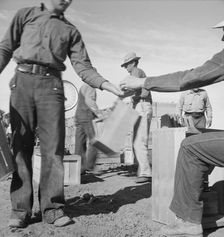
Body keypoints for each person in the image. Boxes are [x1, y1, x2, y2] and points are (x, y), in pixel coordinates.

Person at [0, 0, 123, 228]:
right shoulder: (25, 15)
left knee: (53, 149)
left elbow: (83, 67)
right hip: (22, 82)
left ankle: (52, 208)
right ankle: (20, 210)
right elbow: (5, 48)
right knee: (21, 146)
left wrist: (106, 84)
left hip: (52, 88)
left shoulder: (71, 31)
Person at [120, 19, 224, 237]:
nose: (222, 37)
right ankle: (201, 191)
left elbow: (189, 77)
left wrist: (142, 83)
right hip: (187, 116)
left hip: (177, 113)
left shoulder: (139, 73)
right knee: (200, 138)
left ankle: (188, 220)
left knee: (190, 148)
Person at [120, 52, 153, 183]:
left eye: (126, 65)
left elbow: (138, 90)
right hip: (140, 106)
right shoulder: (136, 74)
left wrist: (122, 91)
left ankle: (146, 172)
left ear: (133, 63)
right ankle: (143, 170)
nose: (125, 67)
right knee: (137, 141)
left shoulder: (137, 72)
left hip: (142, 106)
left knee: (139, 142)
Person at [74, 83, 102, 175]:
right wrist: (99, 114)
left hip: (78, 115)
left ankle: (79, 168)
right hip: (86, 115)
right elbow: (90, 101)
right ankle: (90, 166)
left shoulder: (82, 86)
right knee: (94, 141)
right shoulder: (91, 86)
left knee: (79, 143)